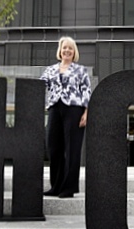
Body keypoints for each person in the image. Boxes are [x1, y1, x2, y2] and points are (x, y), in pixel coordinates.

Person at [40, 36, 92, 198]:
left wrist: (86, 113)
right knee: (53, 147)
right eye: (64, 48)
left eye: (70, 48)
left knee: (72, 149)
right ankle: (55, 186)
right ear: (60, 51)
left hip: (74, 110)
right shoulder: (50, 70)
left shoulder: (81, 70)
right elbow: (39, 86)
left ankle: (69, 188)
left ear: (74, 51)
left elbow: (87, 91)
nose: (67, 51)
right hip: (55, 109)